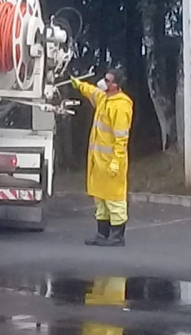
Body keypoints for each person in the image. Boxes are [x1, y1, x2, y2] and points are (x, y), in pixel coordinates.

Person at [70, 66, 134, 247]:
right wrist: (79, 84)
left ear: (116, 85)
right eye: (104, 79)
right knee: (100, 199)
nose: (103, 82)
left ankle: (117, 237)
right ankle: (102, 234)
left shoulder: (121, 106)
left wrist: (116, 161)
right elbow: (92, 91)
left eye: (107, 80)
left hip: (112, 163)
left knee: (115, 201)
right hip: (98, 162)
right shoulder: (103, 98)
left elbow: (121, 139)